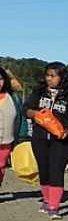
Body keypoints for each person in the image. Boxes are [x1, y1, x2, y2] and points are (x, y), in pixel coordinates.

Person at [23, 61, 68, 218]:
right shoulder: (39, 92)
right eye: (47, 75)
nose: (49, 79)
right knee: (44, 170)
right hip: (40, 138)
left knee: (56, 170)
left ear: (62, 77)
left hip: (63, 140)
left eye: (53, 76)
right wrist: (34, 114)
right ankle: (46, 200)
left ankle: (54, 206)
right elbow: (26, 109)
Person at [0, 66, 23, 198]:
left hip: (6, 140)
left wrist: (22, 136)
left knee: (1, 167)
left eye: (1, 79)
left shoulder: (13, 98)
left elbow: (21, 117)